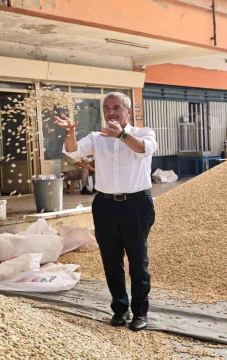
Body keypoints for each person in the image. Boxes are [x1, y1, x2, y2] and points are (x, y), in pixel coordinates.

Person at [55, 92, 157, 332]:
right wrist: (69, 132)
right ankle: (120, 310)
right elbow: (72, 152)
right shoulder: (96, 137)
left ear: (127, 112)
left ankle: (140, 312)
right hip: (105, 205)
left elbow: (143, 149)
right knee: (111, 261)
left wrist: (122, 135)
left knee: (138, 261)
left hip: (136, 205)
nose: (111, 112)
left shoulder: (144, 133)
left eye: (116, 108)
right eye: (107, 108)